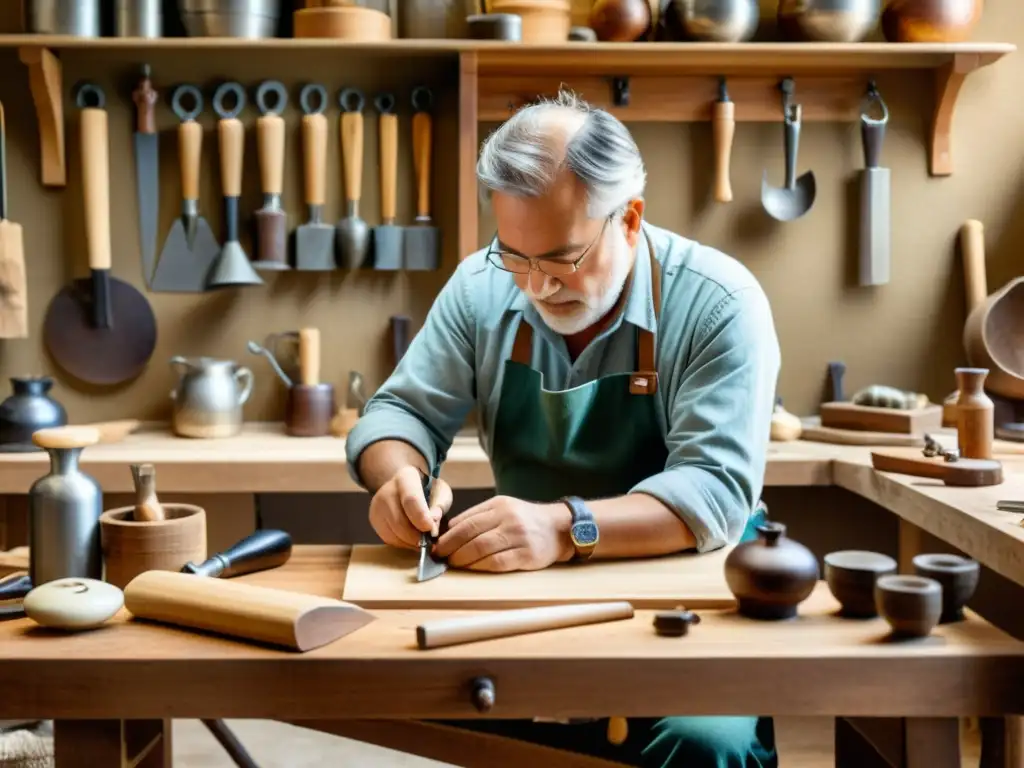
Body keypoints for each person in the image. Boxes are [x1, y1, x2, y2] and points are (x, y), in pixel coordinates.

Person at [345, 89, 782, 768]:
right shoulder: (480, 288)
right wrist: (397, 473)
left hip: (691, 589)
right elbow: (398, 414)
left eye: (561, 259)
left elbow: (716, 492)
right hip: (526, 586)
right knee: (413, 703)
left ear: (630, 219)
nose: (536, 288)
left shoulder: (720, 302)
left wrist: (563, 526)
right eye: (514, 256)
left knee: (704, 745)